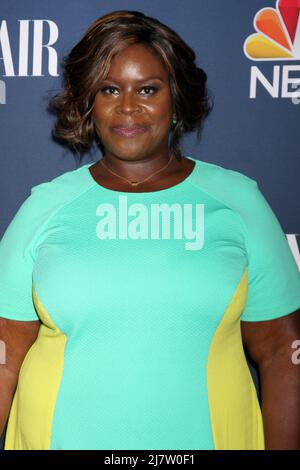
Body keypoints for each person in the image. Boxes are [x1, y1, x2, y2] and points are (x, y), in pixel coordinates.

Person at [0, 9, 300, 451]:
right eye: (109, 89)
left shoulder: (238, 202)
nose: (127, 107)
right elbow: (5, 357)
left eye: (147, 89)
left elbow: (282, 355)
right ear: (89, 102)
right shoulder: (45, 207)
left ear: (175, 98)